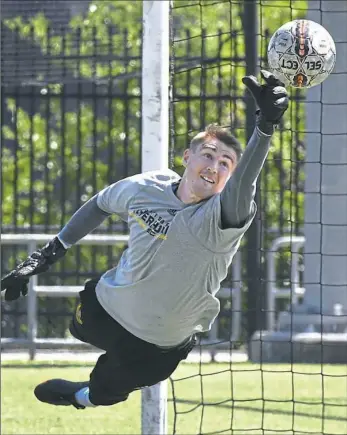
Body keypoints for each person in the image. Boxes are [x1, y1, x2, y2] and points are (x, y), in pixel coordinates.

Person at [1, 70, 288, 409]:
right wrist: (50, 252)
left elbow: (247, 181)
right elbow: (99, 204)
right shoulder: (146, 187)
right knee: (79, 321)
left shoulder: (223, 216)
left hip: (159, 343)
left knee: (104, 392)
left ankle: (81, 397)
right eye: (208, 155)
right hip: (105, 312)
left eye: (226, 163)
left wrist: (265, 127)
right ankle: (101, 367)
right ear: (187, 157)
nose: (215, 166)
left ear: (229, 178)